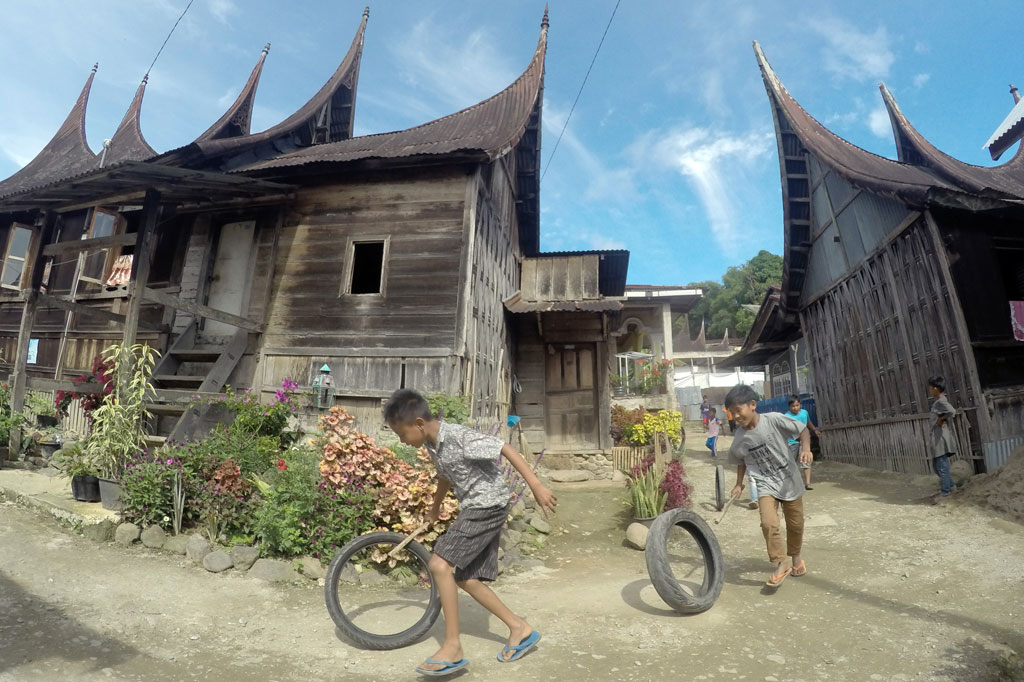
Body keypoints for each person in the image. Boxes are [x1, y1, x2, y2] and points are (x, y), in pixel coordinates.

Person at [383, 389, 557, 676]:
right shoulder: (433, 444)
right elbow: (445, 474)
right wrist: (435, 507)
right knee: (467, 579)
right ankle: (520, 628)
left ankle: (452, 646)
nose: (402, 440)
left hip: (487, 504)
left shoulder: (458, 436)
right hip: (478, 506)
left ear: (418, 424)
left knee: (439, 564)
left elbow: (504, 447)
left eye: (401, 434)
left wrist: (536, 486)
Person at [725, 384, 812, 588]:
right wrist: (739, 484)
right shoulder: (739, 438)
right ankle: (781, 563)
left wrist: (806, 449)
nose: (736, 416)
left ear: (753, 405)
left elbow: (803, 430)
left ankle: (796, 557)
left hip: (789, 479)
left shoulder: (773, 420)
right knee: (768, 524)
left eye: (739, 410)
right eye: (731, 413)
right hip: (765, 483)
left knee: (796, 524)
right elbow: (739, 459)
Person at [927, 376, 957, 502]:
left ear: (935, 388)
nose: (929, 390)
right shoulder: (938, 401)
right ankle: (951, 486)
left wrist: (942, 419)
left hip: (940, 437)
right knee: (937, 465)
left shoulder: (941, 401)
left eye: (930, 387)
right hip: (938, 435)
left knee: (942, 465)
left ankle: (946, 492)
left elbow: (952, 411)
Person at [784, 395, 820, 490]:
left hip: (804, 442)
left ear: (800, 404)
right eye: (793, 406)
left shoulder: (804, 413)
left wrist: (815, 430)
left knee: (806, 461)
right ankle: (794, 483)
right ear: (789, 407)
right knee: (792, 463)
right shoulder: (787, 416)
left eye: (797, 405)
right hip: (792, 442)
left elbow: (809, 422)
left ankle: (808, 483)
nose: (795, 408)